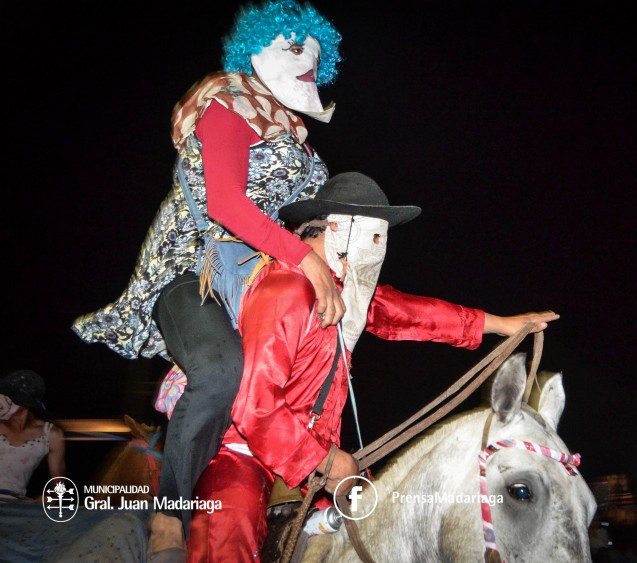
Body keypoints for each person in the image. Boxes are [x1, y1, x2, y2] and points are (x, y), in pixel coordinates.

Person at [69, 1, 348, 557]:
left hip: (256, 278)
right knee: (222, 371)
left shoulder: (297, 140)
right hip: (188, 272)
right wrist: (306, 258)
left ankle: (301, 492)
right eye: (294, 47)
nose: (308, 62)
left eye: (316, 54)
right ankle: (170, 512)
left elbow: (314, 213)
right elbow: (224, 202)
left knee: (302, 362)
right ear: (256, 49)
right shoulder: (228, 101)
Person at [184, 172, 560, 562]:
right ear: (338, 229)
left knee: (386, 527)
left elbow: (409, 313)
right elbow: (254, 405)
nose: (380, 249)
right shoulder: (287, 290)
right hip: (245, 456)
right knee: (229, 531)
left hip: (317, 461)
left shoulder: (345, 294)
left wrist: (503, 325)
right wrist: (326, 462)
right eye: (374, 235)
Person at [0, 370, 66, 501]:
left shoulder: (51, 435)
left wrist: (48, 499)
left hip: (12, 505)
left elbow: (59, 486)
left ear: (25, 403)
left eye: (8, 397)